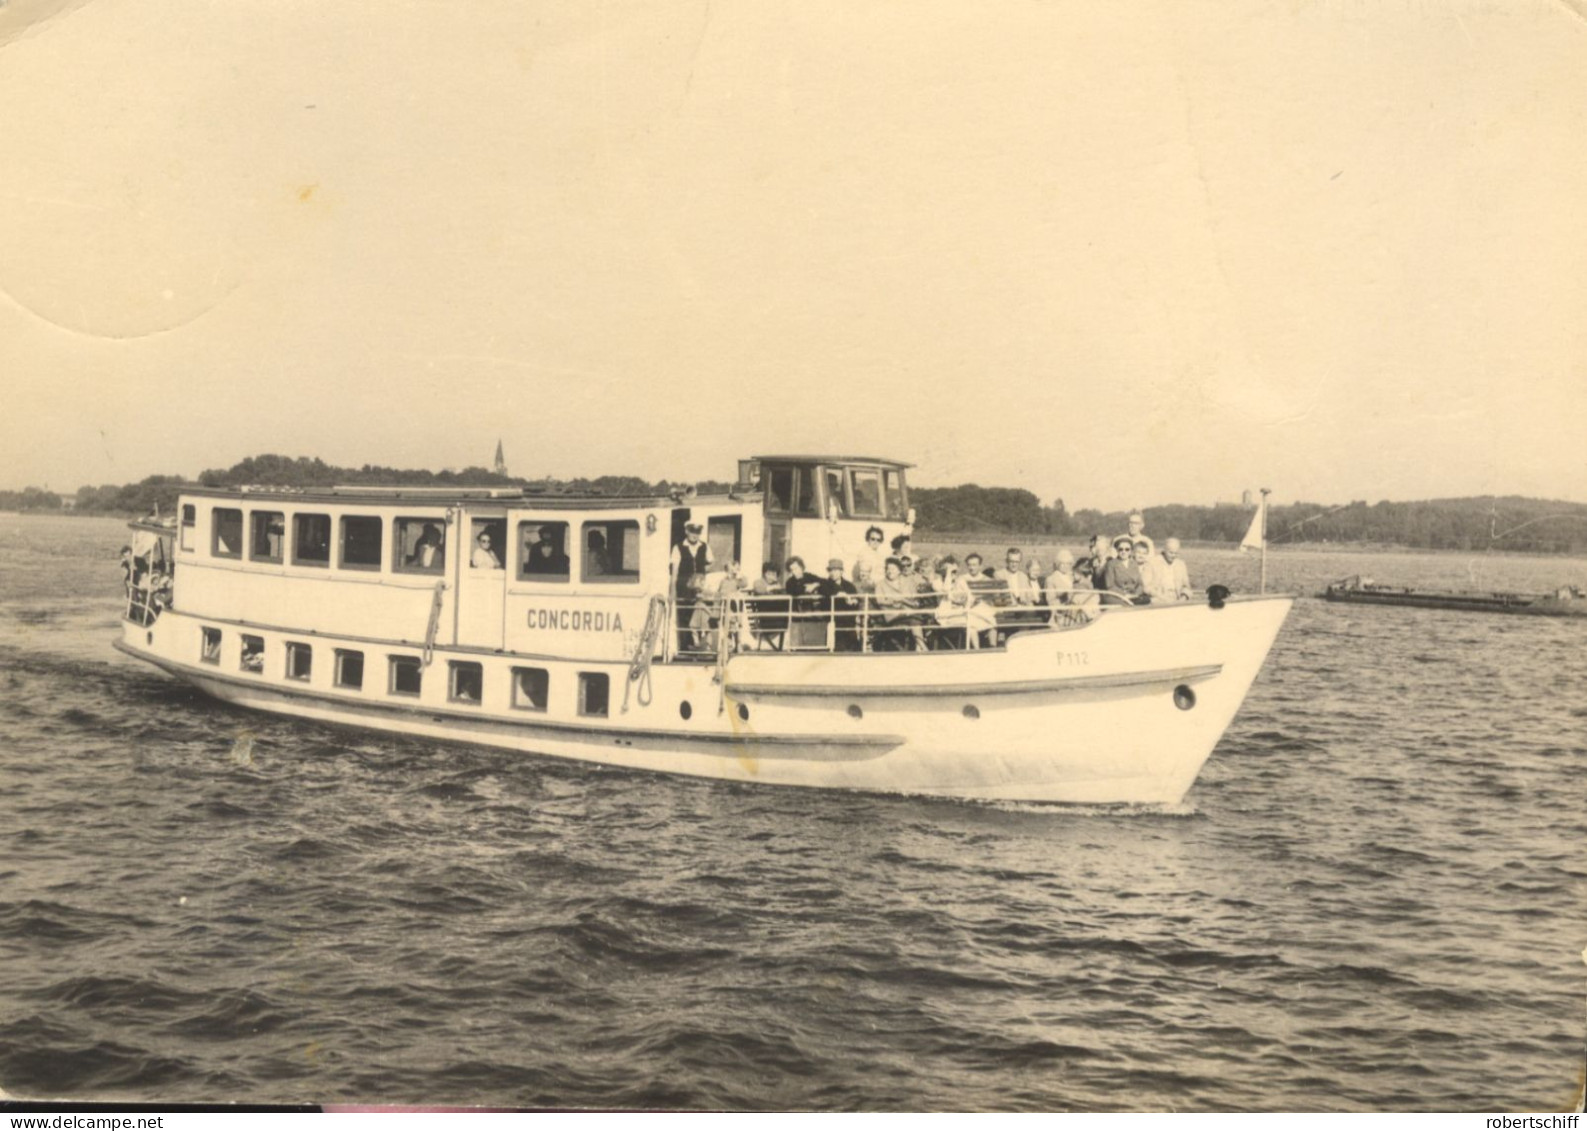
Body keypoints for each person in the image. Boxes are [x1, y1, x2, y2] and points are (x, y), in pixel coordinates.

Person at [671, 523, 713, 651]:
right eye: (692, 531)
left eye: (697, 532)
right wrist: (672, 590)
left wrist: (702, 574)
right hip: (684, 586)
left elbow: (711, 563)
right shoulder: (678, 547)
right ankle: (685, 647)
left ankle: (699, 645)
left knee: (700, 613)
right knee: (685, 615)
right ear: (686, 531)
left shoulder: (704, 546)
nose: (695, 535)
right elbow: (675, 571)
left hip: (699, 586)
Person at [818, 558, 862, 651]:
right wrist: (840, 594)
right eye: (830, 570)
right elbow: (824, 591)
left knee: (855, 648)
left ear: (841, 571)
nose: (833, 573)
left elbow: (856, 602)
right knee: (837, 647)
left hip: (848, 621)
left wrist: (853, 602)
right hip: (832, 621)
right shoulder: (825, 584)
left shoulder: (849, 585)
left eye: (836, 570)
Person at [749, 561, 787, 650]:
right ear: (764, 573)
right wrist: (773, 588)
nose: (772, 576)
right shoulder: (758, 582)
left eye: (774, 574)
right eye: (769, 573)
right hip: (765, 617)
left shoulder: (776, 585)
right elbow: (759, 590)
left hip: (777, 616)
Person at [1098, 536, 1146, 605]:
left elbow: (1140, 584)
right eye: (1121, 549)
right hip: (1117, 596)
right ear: (1117, 550)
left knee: (1147, 601)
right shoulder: (1111, 564)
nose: (1124, 552)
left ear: (1131, 551)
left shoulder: (1134, 564)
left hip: (1133, 595)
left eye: (1127, 549)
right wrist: (1124, 595)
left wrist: (1136, 594)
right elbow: (1110, 586)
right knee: (1125, 605)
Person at [1143, 537, 1193, 602]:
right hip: (1158, 599)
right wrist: (1163, 598)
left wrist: (1183, 598)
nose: (1173, 555)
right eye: (1171, 553)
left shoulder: (1181, 564)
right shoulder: (1152, 563)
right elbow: (1146, 587)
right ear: (1164, 550)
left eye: (1176, 553)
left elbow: (1186, 586)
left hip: (1177, 599)